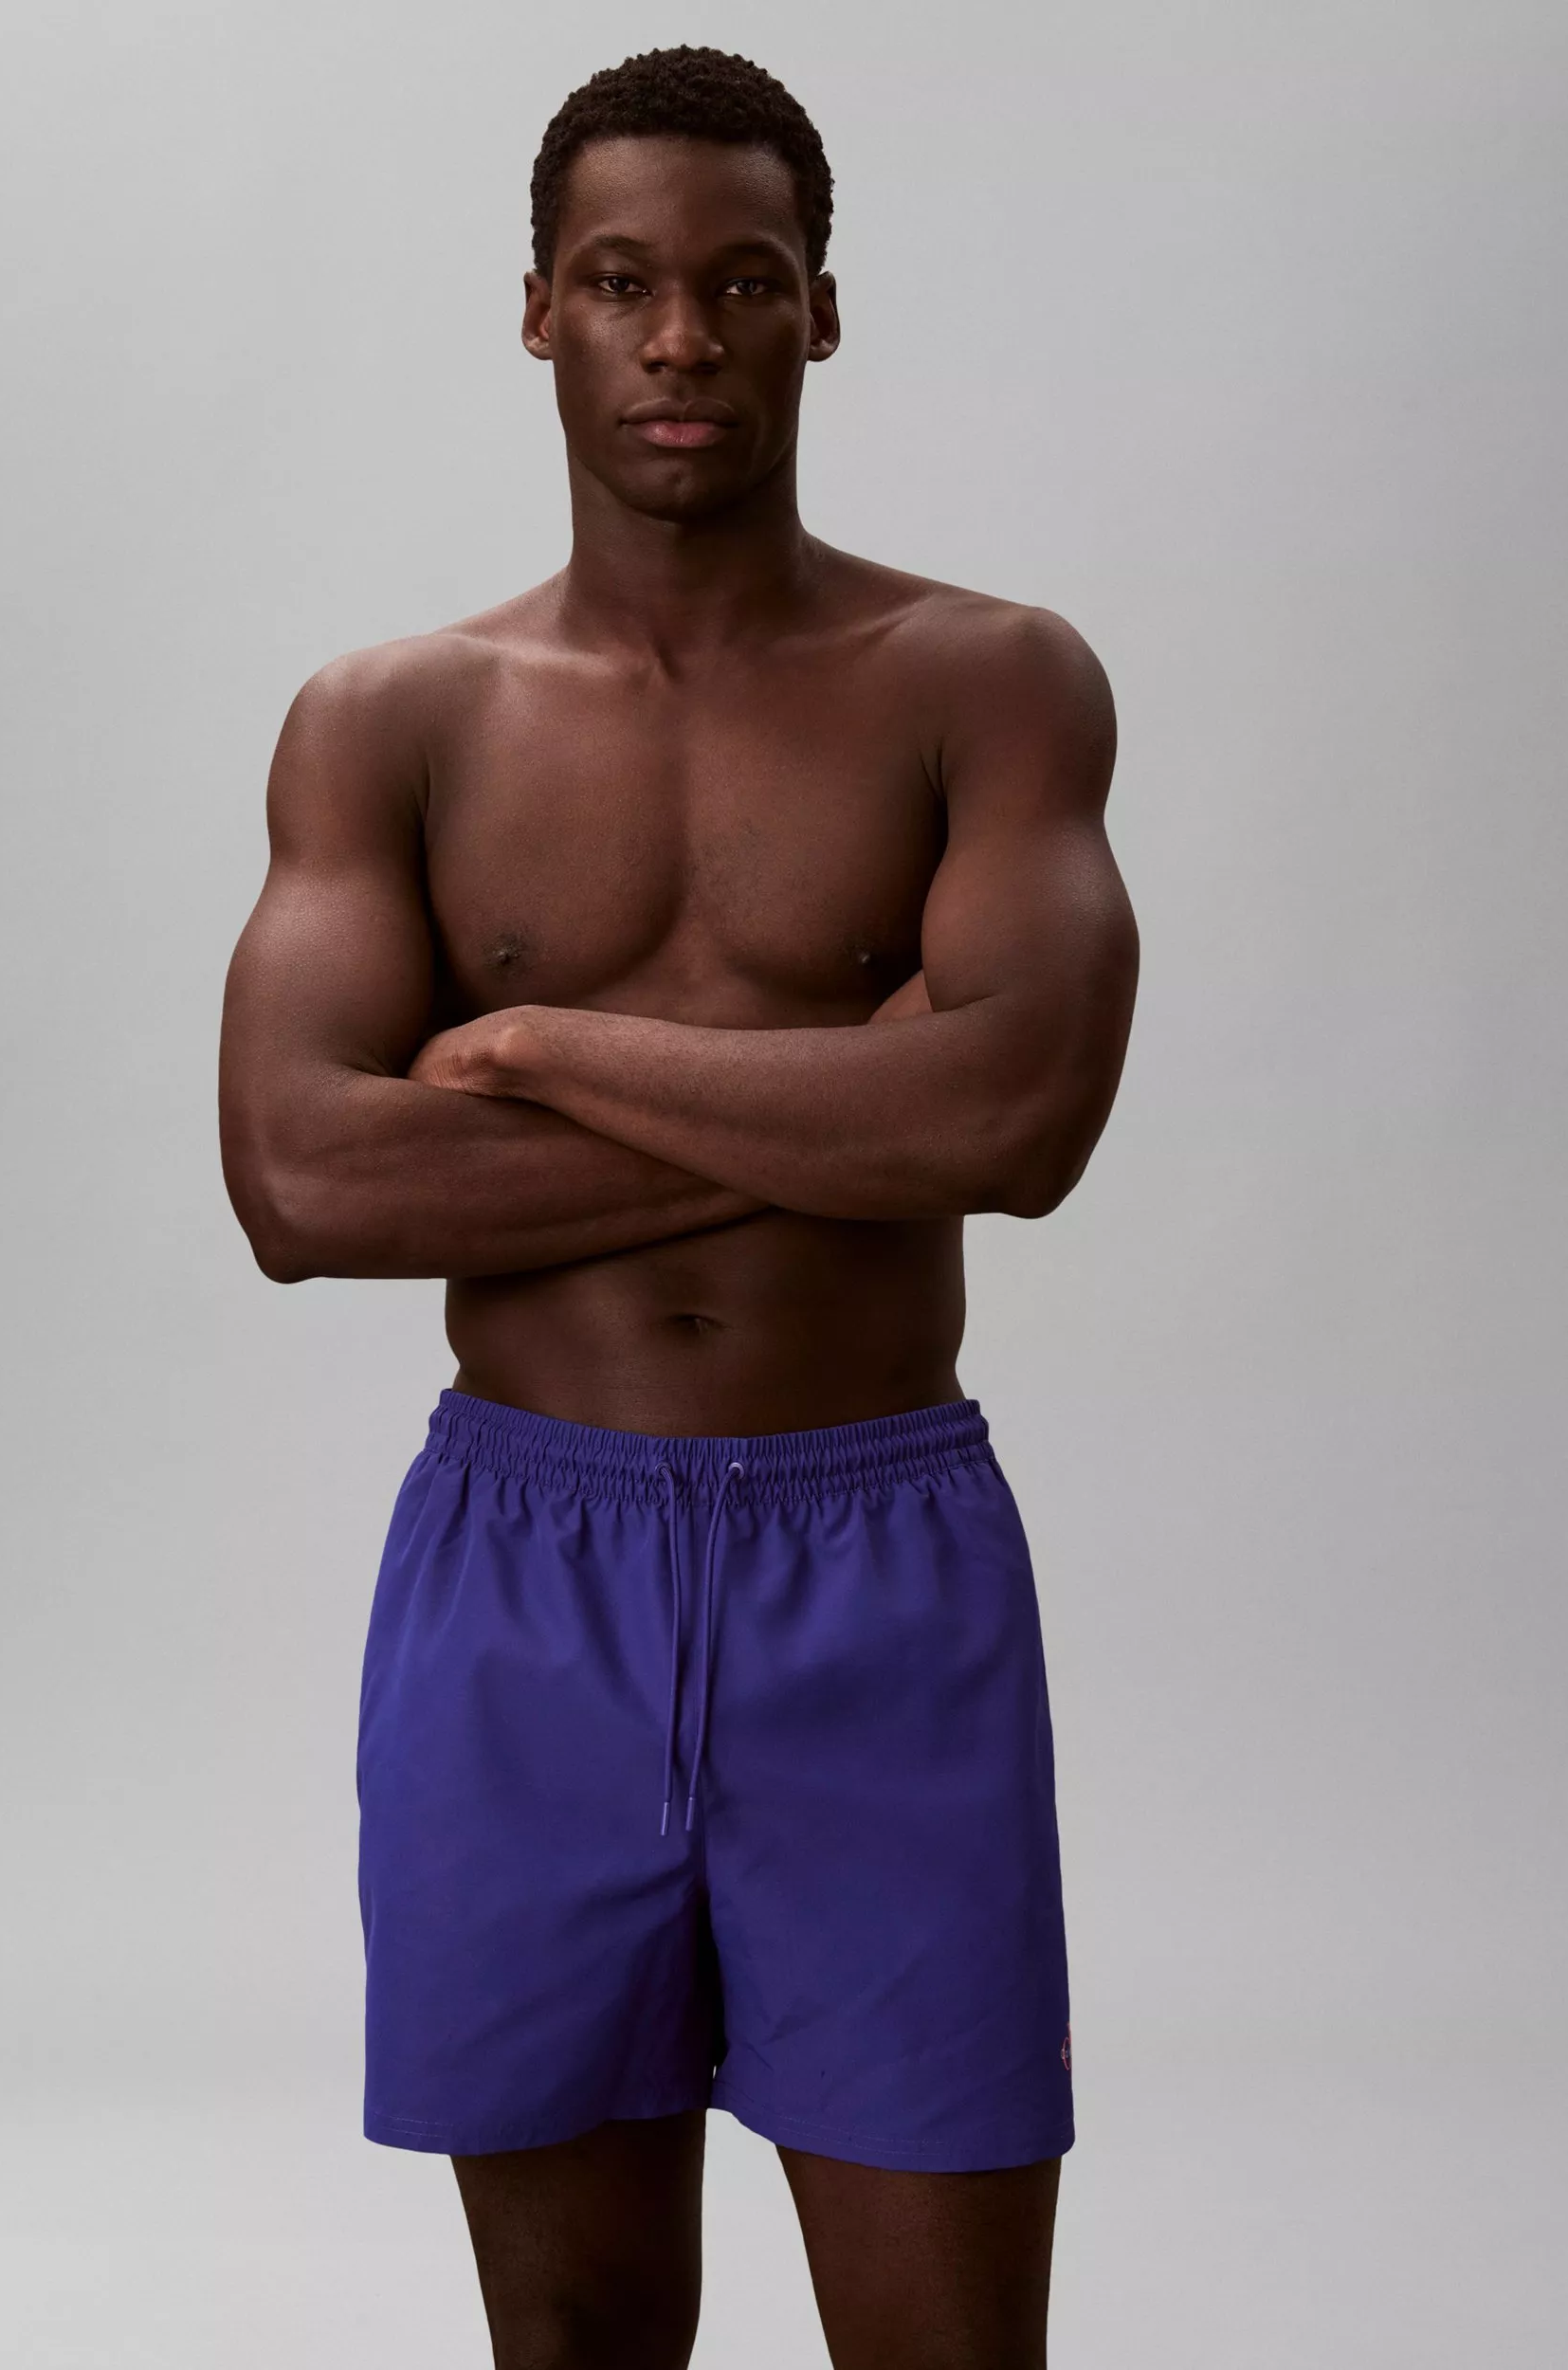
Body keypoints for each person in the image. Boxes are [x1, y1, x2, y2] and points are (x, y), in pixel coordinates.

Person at [219, 44, 1137, 2370]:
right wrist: (859, 1090)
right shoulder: (391, 718)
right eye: (622, 281)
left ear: (820, 309)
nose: (681, 337)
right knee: (577, 2339)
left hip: (878, 1564)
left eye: (740, 280)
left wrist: (536, 1043)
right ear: (538, 309)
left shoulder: (986, 682)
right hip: (525, 1573)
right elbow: (303, 1176)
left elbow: (1022, 1120)